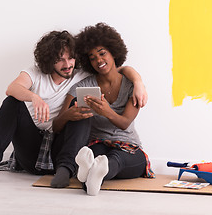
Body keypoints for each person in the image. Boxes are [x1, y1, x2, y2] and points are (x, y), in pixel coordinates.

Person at [0, 30, 148, 188]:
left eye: (71, 58)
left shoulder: (81, 74)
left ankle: (66, 171)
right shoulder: (38, 74)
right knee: (12, 102)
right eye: (60, 59)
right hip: (32, 146)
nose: (67, 64)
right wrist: (34, 97)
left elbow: (118, 68)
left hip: (64, 149)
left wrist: (138, 82)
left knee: (83, 115)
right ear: (48, 60)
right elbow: (12, 88)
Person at [53, 23, 154, 195]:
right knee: (92, 157)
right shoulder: (83, 86)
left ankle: (91, 173)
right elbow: (56, 127)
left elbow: (124, 123)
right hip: (97, 143)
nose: (98, 60)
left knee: (113, 160)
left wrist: (106, 111)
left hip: (128, 146)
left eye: (102, 53)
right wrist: (69, 115)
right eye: (92, 57)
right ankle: (91, 174)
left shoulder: (131, 86)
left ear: (113, 52)